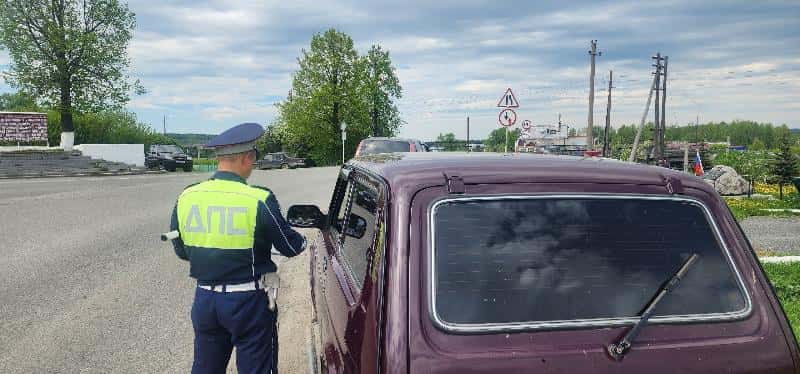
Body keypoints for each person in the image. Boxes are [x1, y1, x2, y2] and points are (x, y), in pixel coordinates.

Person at [169, 122, 305, 374]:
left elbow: (181, 250)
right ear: (246, 158)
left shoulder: (188, 195)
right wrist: (303, 240)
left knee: (205, 368)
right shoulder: (259, 198)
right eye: (253, 158)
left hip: (205, 300)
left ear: (220, 158)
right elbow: (290, 246)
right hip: (248, 302)